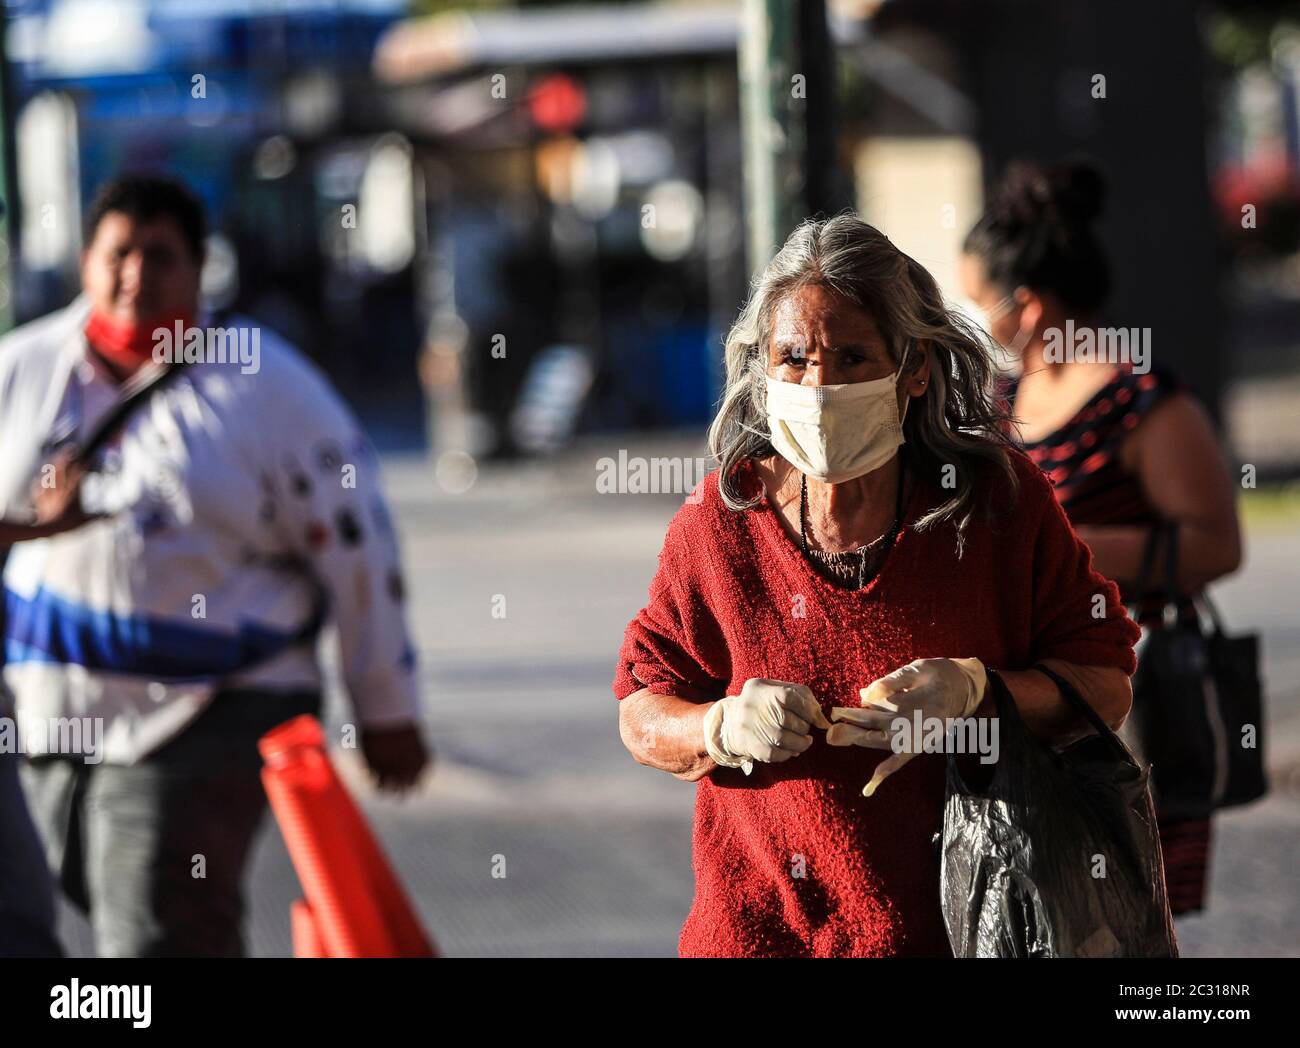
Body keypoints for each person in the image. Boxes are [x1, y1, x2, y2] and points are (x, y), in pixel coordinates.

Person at [612, 213, 1141, 957]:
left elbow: (1105, 684)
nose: (818, 384)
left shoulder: (994, 504)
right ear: (763, 370)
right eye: (793, 358)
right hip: (758, 936)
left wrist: (977, 693)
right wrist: (718, 727)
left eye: (853, 356)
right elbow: (641, 713)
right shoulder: (720, 522)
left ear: (915, 367)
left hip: (964, 930)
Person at [0, 174, 430, 956]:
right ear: (85, 261)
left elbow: (358, 544)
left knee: (157, 931)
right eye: (118, 253)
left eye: (160, 257)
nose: (136, 276)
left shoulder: (272, 391)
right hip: (44, 712)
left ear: (199, 269)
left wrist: (385, 705)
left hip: (212, 706)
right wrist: (32, 525)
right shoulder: (21, 374)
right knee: (50, 913)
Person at [960, 160, 1243, 915]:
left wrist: (1064, 549)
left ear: (1024, 304)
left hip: (1128, 698)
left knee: (1127, 916)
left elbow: (1218, 544)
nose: (972, 321)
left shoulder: (1142, 399)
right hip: (1026, 705)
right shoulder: (1006, 398)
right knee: (1030, 913)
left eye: (976, 302)